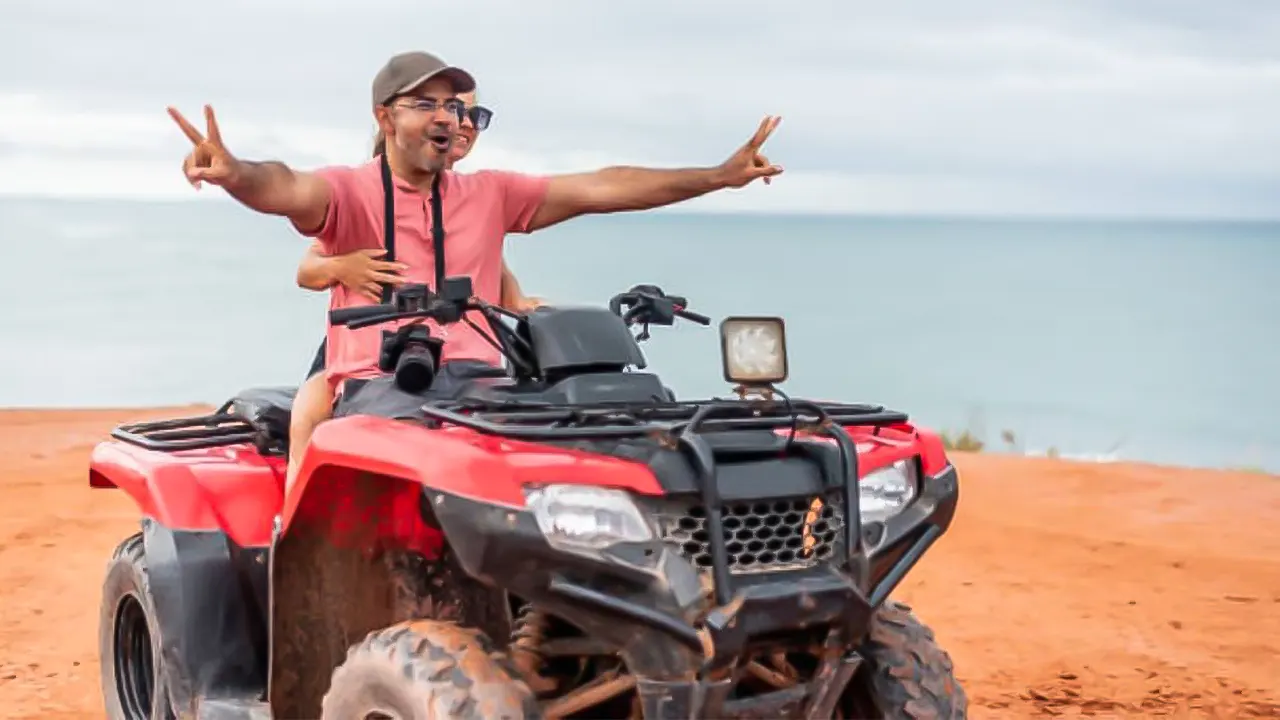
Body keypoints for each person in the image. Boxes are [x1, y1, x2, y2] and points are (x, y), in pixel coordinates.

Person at [167, 50, 782, 491]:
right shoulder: (348, 191)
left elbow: (602, 185)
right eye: (426, 104)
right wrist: (236, 173)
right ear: (386, 119)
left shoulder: (488, 194)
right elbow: (285, 187)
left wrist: (716, 177)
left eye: (455, 107)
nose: (448, 117)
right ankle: (295, 555)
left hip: (486, 386)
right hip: (374, 383)